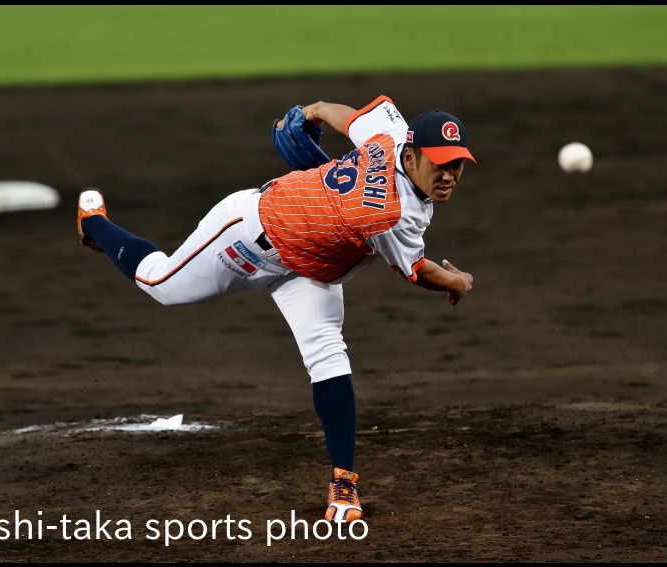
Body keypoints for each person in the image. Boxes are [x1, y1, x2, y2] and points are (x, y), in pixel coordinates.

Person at [76, 95, 476, 523]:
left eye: (457, 164)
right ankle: (94, 223)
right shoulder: (390, 213)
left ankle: (343, 486)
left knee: (328, 355)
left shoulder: (391, 134)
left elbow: (351, 118)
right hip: (248, 236)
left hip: (311, 270)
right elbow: (416, 271)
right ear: (411, 155)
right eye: (440, 164)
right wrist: (459, 280)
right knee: (160, 283)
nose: (449, 174)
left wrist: (316, 109)